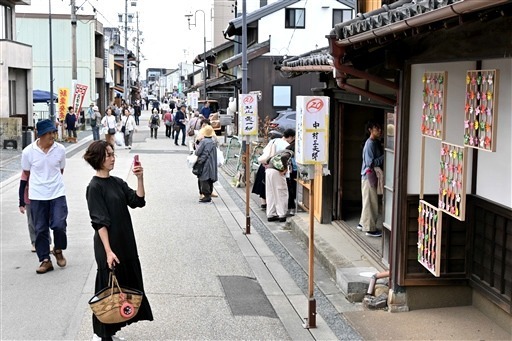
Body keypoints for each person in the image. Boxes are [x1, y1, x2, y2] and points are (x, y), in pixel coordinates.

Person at [83, 141, 153, 341]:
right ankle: (100, 335)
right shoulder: (94, 187)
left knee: (122, 289)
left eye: (113, 154)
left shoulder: (117, 182)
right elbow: (99, 222)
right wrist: (108, 251)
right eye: (108, 155)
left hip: (125, 242)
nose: (113, 158)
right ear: (98, 158)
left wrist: (140, 178)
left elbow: (137, 201)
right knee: (107, 290)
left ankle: (111, 332)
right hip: (109, 245)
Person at [21, 119, 68, 274]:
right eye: (48, 133)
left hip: (57, 193)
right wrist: (22, 199)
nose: (51, 136)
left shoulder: (60, 149)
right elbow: (26, 173)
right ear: (39, 135)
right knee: (40, 229)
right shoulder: (28, 152)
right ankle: (45, 260)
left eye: (53, 132)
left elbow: (61, 170)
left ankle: (58, 248)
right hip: (37, 195)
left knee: (59, 224)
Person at [358, 121, 384, 237]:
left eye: (379, 128)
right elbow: (370, 163)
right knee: (371, 203)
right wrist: (385, 157)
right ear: (370, 130)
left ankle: (362, 224)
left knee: (367, 201)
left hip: (367, 176)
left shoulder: (374, 143)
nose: (379, 131)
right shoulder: (370, 144)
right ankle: (370, 229)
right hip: (369, 176)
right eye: (376, 128)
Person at [265, 149, 293, 222]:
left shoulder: (279, 152)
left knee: (270, 193)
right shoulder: (289, 152)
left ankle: (271, 214)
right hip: (276, 172)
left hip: (268, 171)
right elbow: (283, 158)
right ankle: (282, 214)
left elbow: (268, 160)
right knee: (281, 192)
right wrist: (284, 168)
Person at [194, 125, 218, 203]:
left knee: (204, 178)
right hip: (212, 162)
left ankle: (206, 196)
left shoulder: (204, 141)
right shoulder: (214, 142)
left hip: (204, 161)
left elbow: (198, 152)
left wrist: (197, 142)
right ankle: (209, 192)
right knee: (210, 178)